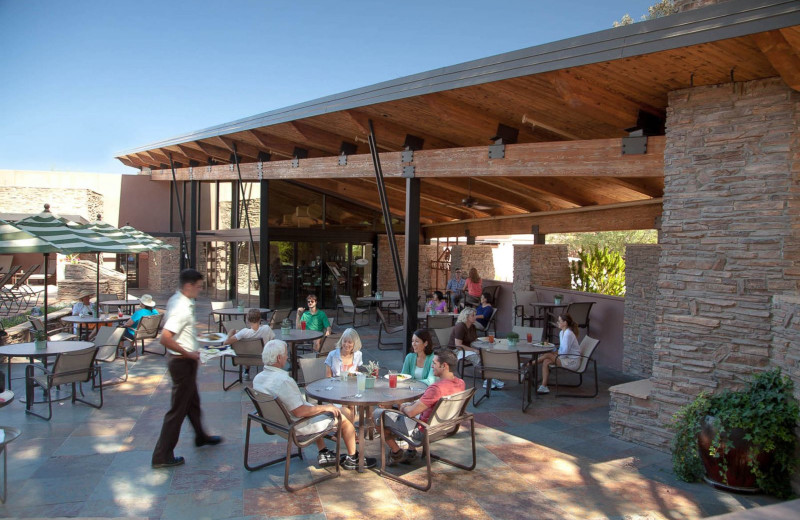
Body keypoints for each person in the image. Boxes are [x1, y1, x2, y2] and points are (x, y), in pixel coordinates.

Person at [254, 339, 375, 470]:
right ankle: (354, 459)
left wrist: (318, 409)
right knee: (344, 420)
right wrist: (325, 407)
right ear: (278, 358)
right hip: (296, 426)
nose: (287, 356)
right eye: (285, 354)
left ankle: (323, 452)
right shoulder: (283, 381)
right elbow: (300, 412)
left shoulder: (258, 378)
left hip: (275, 424)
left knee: (319, 410)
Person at [152, 269, 222, 469]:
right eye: (199, 286)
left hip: (185, 361)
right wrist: (190, 354)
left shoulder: (178, 299)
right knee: (178, 410)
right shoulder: (181, 308)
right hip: (182, 363)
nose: (200, 290)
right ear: (188, 286)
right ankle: (161, 455)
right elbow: (165, 338)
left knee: (193, 402)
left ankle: (201, 436)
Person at [373, 348, 465, 465]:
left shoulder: (436, 389)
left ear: (444, 366)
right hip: (446, 426)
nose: (432, 366)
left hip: (423, 431)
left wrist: (402, 407)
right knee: (414, 410)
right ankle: (411, 451)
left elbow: (410, 413)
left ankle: (396, 452)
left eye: (434, 363)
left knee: (378, 414)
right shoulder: (461, 383)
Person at [449, 307, 504, 390]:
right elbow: (458, 345)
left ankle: (491, 378)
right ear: (466, 317)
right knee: (477, 357)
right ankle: (487, 380)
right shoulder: (460, 327)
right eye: (473, 315)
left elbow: (474, 340)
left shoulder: (472, 327)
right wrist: (474, 350)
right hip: (457, 350)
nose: (475, 317)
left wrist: (485, 343)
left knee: (486, 354)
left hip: (468, 348)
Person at [223, 308, 275, 381]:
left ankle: (246, 371)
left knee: (246, 348)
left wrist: (231, 332)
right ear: (260, 319)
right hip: (263, 358)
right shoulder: (267, 329)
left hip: (246, 358)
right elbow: (272, 341)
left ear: (247, 320)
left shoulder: (243, 332)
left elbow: (226, 342)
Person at [536, 313, 581, 394]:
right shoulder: (562, 333)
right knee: (546, 360)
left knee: (548, 355)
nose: (557, 323)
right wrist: (554, 353)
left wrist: (553, 354)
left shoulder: (568, 334)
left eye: (559, 321)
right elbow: (562, 350)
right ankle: (544, 386)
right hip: (565, 358)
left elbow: (564, 353)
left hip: (572, 362)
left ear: (565, 323)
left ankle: (528, 365)